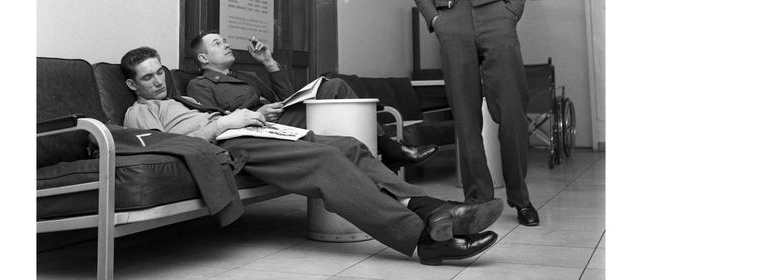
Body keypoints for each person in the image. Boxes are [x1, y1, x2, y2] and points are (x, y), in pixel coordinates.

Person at [121, 46, 504, 266]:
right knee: (325, 161)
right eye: (147, 78)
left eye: (159, 73)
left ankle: (430, 206)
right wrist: (222, 124)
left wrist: (243, 117)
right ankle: (423, 239)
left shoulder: (180, 99)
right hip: (228, 144)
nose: (158, 82)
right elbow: (169, 146)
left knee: (349, 146)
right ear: (131, 84)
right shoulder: (140, 112)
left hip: (248, 129)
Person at [411, 0, 539, 226]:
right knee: (465, 117)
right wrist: (436, 21)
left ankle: (520, 198)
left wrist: (509, 13)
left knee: (511, 111)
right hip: (452, 20)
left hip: (494, 15)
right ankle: (480, 200)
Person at [184, 31, 437, 168]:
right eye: (218, 44)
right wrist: (260, 113)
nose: (226, 45)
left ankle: (382, 155)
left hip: (281, 121)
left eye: (225, 41)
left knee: (334, 86)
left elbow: (285, 98)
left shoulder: (248, 75)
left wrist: (269, 63)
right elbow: (214, 124)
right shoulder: (200, 85)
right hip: (258, 134)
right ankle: (390, 149)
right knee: (336, 87)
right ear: (204, 59)